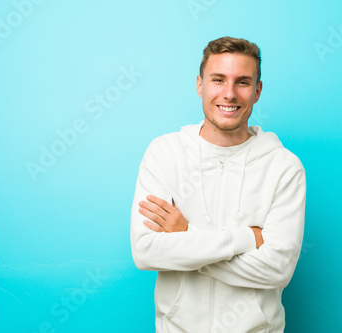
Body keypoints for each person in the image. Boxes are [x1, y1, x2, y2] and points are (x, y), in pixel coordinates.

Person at [130, 36, 306, 333]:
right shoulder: (164, 153)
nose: (229, 93)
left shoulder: (284, 167)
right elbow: (147, 251)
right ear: (200, 85)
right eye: (218, 79)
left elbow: (277, 270)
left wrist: (186, 235)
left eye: (242, 82)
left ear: (257, 91)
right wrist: (247, 239)